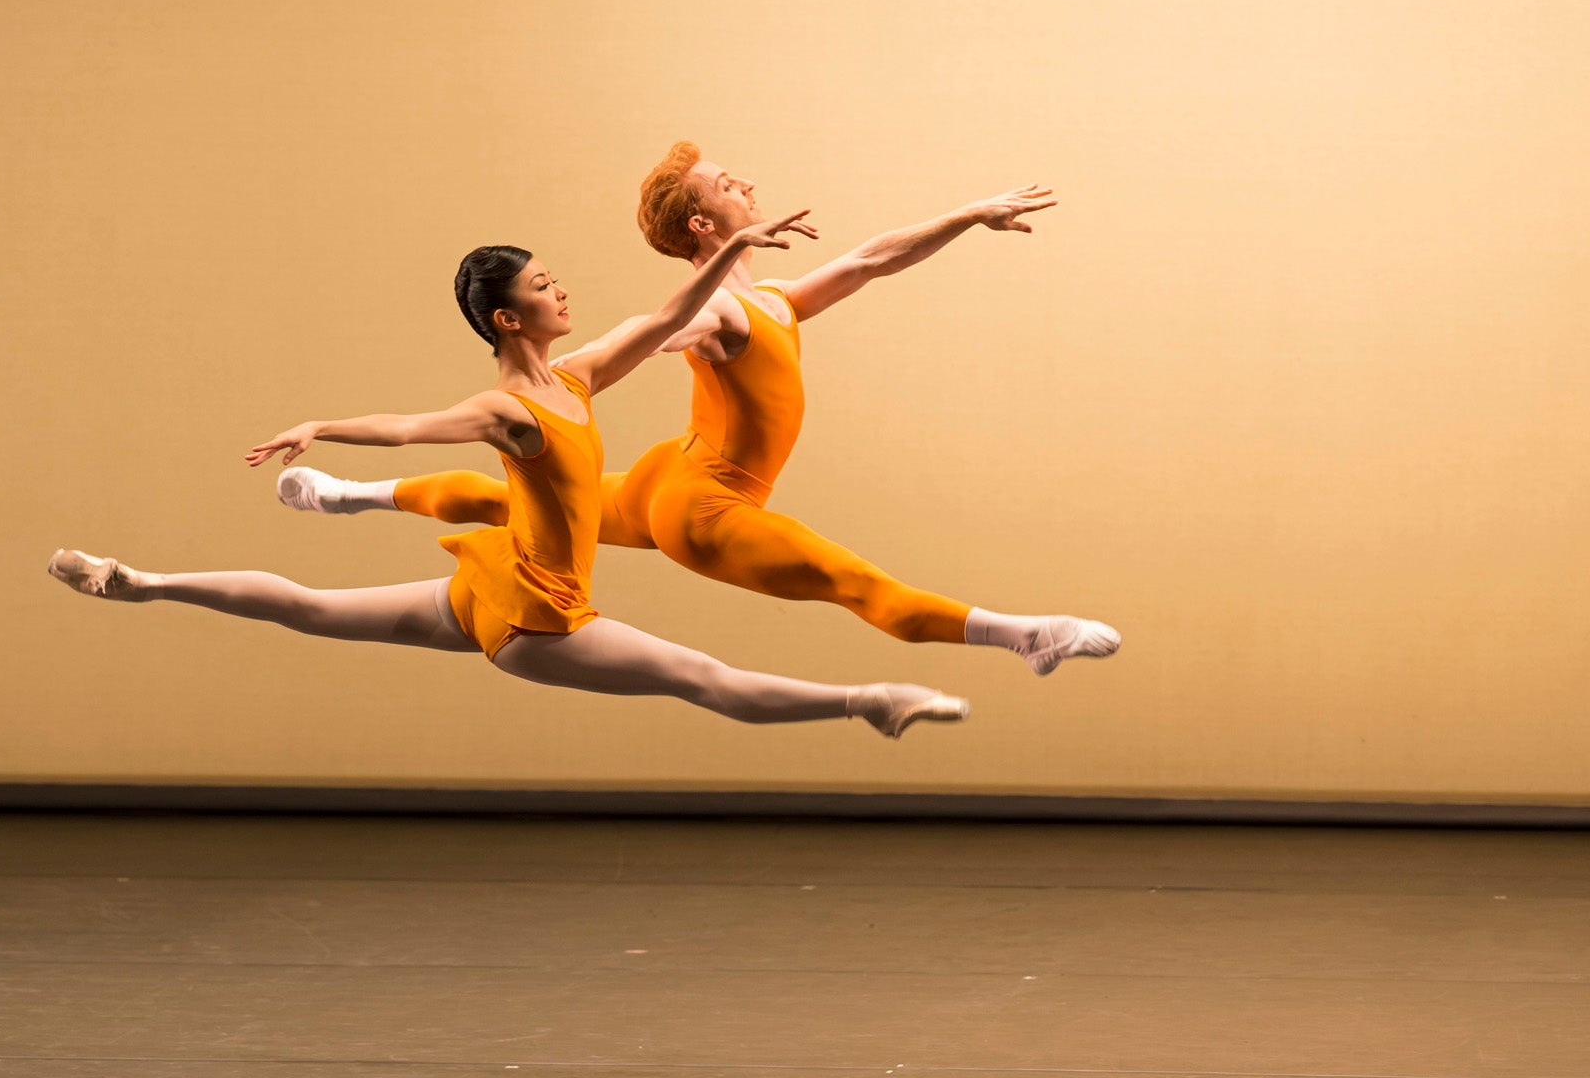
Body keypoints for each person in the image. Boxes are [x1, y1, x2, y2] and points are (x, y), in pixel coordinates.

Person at [48, 215, 969, 739]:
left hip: (486, 592)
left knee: (311, 606)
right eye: (542, 286)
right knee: (701, 677)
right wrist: (323, 426)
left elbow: (666, 314)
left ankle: (146, 585)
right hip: (541, 621)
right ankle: (868, 702)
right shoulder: (509, 412)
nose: (561, 293)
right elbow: (410, 427)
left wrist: (734, 251)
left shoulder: (579, 376)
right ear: (504, 319)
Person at [279, 142, 1120, 677]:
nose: (747, 182)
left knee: (521, 494)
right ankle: (1021, 636)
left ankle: (344, 495)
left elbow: (871, 260)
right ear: (702, 220)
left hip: (662, 478)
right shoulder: (718, 313)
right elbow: (656, 329)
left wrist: (968, 216)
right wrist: (553, 376)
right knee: (848, 579)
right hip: (704, 508)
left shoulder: (776, 300)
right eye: (728, 182)